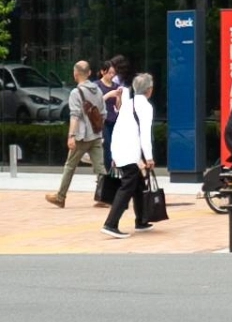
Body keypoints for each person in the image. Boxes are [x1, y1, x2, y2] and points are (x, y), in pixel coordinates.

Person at [102, 73, 156, 238]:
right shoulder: (145, 107)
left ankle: (141, 220)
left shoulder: (129, 103)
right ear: (149, 90)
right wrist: (149, 157)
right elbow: (145, 134)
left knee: (138, 184)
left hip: (120, 148)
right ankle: (111, 223)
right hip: (130, 152)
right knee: (127, 187)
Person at [47, 59, 106, 207]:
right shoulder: (98, 90)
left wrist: (71, 136)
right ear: (89, 73)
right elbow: (103, 113)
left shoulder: (75, 92)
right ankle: (105, 197)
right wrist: (98, 130)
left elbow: (75, 116)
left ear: (76, 74)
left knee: (70, 166)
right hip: (96, 135)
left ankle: (60, 197)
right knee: (100, 168)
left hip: (81, 136)